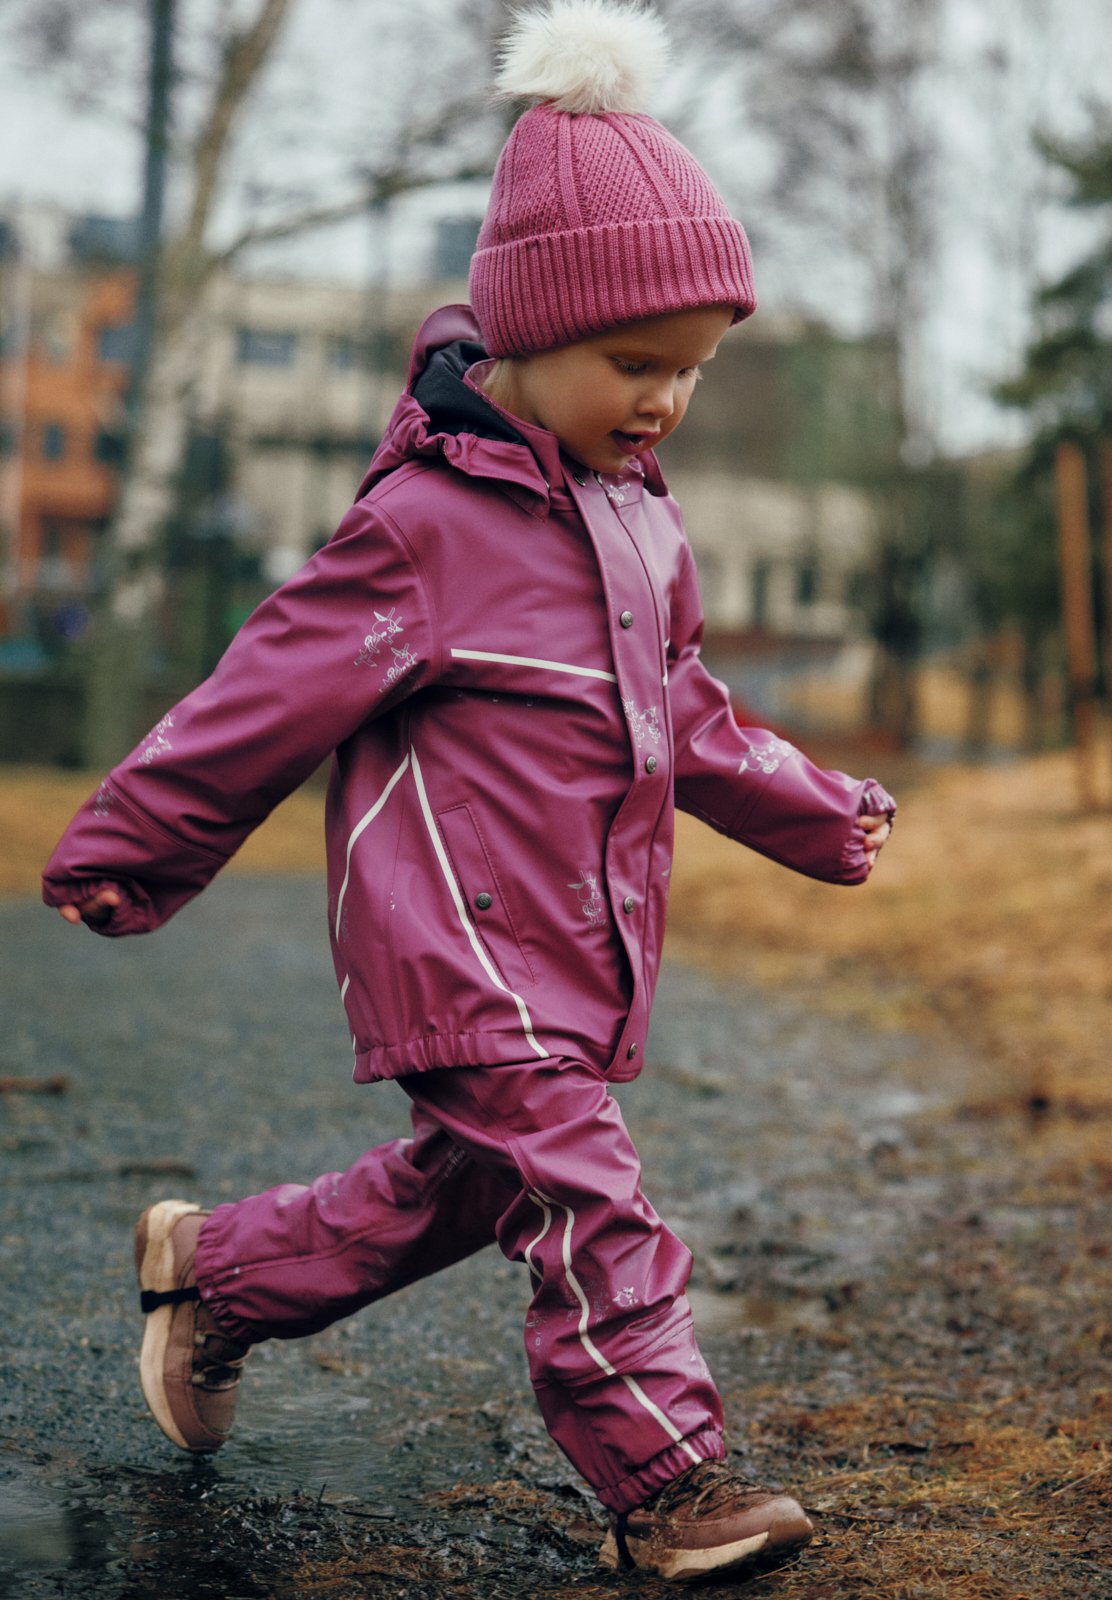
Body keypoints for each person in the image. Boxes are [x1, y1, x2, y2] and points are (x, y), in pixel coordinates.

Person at [43, 0, 893, 1582]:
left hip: (580, 941)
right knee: (590, 1198)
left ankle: (220, 1275)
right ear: (526, 338)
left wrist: (810, 802)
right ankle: (668, 1482)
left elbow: (687, 712)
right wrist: (141, 839)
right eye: (633, 362)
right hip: (462, 942)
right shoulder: (430, 523)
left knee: (474, 1188)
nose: (663, 402)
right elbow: (268, 685)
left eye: (692, 371)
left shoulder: (643, 526)